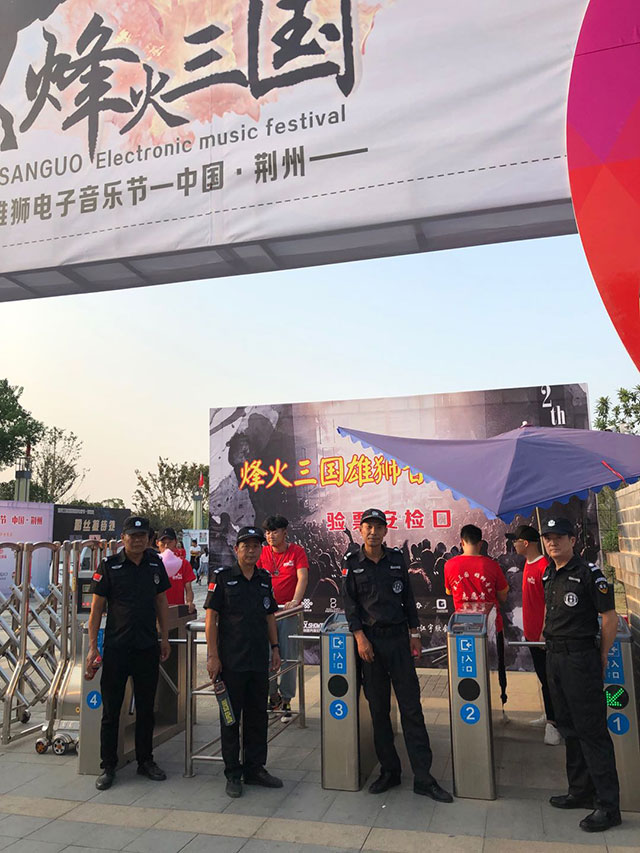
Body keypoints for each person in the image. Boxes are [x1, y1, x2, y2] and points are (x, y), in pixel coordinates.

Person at [342, 509, 453, 802]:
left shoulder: (396, 560)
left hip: (399, 641)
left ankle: (424, 777)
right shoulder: (352, 563)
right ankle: (389, 771)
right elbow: (350, 606)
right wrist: (360, 638)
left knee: (411, 708)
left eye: (378, 527)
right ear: (361, 530)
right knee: (378, 711)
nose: (373, 532)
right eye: (368, 527)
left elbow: (408, 600)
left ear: (385, 531)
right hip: (371, 645)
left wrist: (415, 634)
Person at [542, 517, 621, 832]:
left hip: (580, 659)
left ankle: (608, 806)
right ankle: (580, 790)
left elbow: (609, 617)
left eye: (559, 537)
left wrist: (602, 654)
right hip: (555, 658)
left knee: (591, 731)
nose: (552, 543)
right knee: (568, 727)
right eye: (548, 538)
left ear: (572, 540)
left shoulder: (590, 573)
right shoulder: (549, 572)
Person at [85, 516, 170, 790]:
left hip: (147, 647)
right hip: (117, 648)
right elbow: (96, 609)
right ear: (123, 538)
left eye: (142, 536)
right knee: (111, 710)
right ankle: (108, 766)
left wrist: (164, 638)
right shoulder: (110, 566)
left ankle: (146, 761)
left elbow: (161, 601)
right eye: (132, 536)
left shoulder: (155, 564)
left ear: (148, 539)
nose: (137, 540)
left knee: (146, 708)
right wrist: (92, 647)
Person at [204, 526, 283, 798]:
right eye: (245, 546)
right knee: (230, 719)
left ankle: (255, 769)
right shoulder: (223, 578)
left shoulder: (263, 579)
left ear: (261, 550)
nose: (251, 551)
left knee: (258, 717)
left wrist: (275, 648)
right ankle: (233, 773)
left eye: (255, 546)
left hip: (258, 661)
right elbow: (211, 619)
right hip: (230, 663)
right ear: (236, 549)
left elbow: (269, 616)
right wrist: (213, 655)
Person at [506, 524, 561, 745]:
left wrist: (544, 632)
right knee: (542, 677)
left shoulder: (544, 567)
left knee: (550, 680)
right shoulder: (528, 564)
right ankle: (549, 714)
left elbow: (551, 602)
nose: (513, 544)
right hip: (532, 635)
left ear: (526, 543)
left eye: (516, 541)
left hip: (543, 636)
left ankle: (554, 725)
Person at [445, 524, 510, 702]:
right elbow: (503, 595)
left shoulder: (450, 565)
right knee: (495, 665)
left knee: (466, 670)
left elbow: (449, 591)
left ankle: (469, 702)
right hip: (491, 627)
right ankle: (500, 698)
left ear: (462, 542)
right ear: (480, 543)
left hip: (462, 629)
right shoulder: (492, 565)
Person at [258, 514, 309, 720]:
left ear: (284, 532)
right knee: (266, 657)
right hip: (266, 614)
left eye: (275, 531)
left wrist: (295, 602)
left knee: (288, 658)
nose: (270, 536)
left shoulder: (297, 551)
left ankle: (287, 699)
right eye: (267, 532)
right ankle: (273, 697)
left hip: (287, 614)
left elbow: (302, 578)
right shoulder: (262, 553)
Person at [157, 527, 197, 614]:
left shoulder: (183, 564)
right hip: (157, 610)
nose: (166, 546)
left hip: (177, 609)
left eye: (170, 542)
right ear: (157, 543)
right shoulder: (153, 564)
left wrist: (189, 601)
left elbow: (188, 588)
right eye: (163, 543)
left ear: (175, 542)